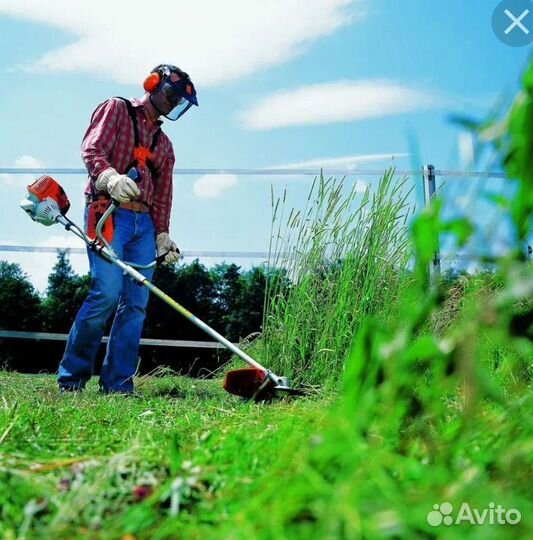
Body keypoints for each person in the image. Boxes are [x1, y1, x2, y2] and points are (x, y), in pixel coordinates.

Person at [57, 64, 198, 394]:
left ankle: (118, 386)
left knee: (135, 305)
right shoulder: (117, 109)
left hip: (143, 225)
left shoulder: (164, 146)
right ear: (152, 84)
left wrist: (162, 235)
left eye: (179, 101)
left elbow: (163, 193)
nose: (173, 103)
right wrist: (109, 177)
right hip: (107, 211)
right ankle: (72, 380)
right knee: (106, 293)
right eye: (170, 94)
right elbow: (91, 148)